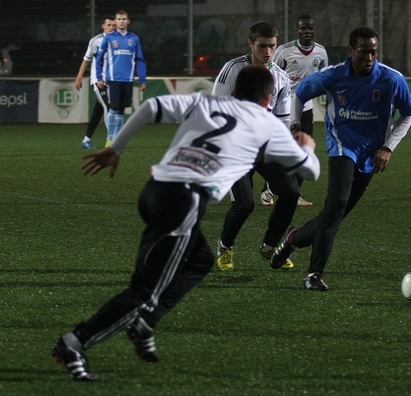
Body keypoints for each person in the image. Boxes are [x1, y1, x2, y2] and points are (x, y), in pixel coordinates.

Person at [50, 65, 320, 381]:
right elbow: (311, 173)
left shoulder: (206, 102)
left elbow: (151, 106)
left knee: (200, 260)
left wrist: (115, 148)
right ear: (267, 100)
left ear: (233, 91)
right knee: (144, 292)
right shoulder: (268, 124)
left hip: (154, 192)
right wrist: (308, 148)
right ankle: (75, 342)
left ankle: (145, 323)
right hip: (184, 201)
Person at [271, 27, 411, 291]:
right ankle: (313, 274)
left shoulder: (392, 79)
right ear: (351, 51)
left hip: (371, 154)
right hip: (341, 146)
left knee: (335, 213)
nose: (369, 57)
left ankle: (293, 238)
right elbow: (299, 92)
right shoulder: (334, 75)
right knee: (336, 204)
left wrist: (388, 147)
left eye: (373, 52)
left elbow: (408, 113)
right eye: (363, 52)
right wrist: (294, 125)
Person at [213, 21, 299, 271]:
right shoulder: (233, 70)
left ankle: (270, 246)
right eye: (262, 46)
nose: (268, 52)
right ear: (251, 44)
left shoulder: (280, 78)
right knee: (245, 204)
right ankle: (225, 246)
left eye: (272, 46)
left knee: (291, 192)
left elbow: (281, 121)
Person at [272, 14, 330, 206]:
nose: (307, 31)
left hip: (306, 107)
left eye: (310, 28)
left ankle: (294, 193)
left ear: (314, 29)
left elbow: (325, 77)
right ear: (297, 30)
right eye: (303, 28)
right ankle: (269, 188)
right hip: (284, 107)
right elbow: (272, 73)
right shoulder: (284, 50)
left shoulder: (321, 52)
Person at [96, 9, 147, 147]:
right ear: (115, 21)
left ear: (128, 21)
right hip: (113, 78)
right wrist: (99, 77)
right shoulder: (109, 38)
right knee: (113, 107)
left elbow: (140, 59)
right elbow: (99, 59)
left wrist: (142, 79)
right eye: (119, 19)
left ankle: (117, 139)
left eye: (124, 19)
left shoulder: (134, 39)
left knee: (121, 110)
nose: (121, 21)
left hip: (128, 79)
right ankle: (110, 138)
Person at [75, 16, 115, 149]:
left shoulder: (117, 40)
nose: (111, 27)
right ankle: (112, 141)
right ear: (103, 26)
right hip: (98, 81)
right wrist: (79, 77)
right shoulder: (96, 40)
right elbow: (86, 60)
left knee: (98, 112)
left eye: (113, 25)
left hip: (112, 80)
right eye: (109, 25)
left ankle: (86, 140)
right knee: (108, 108)